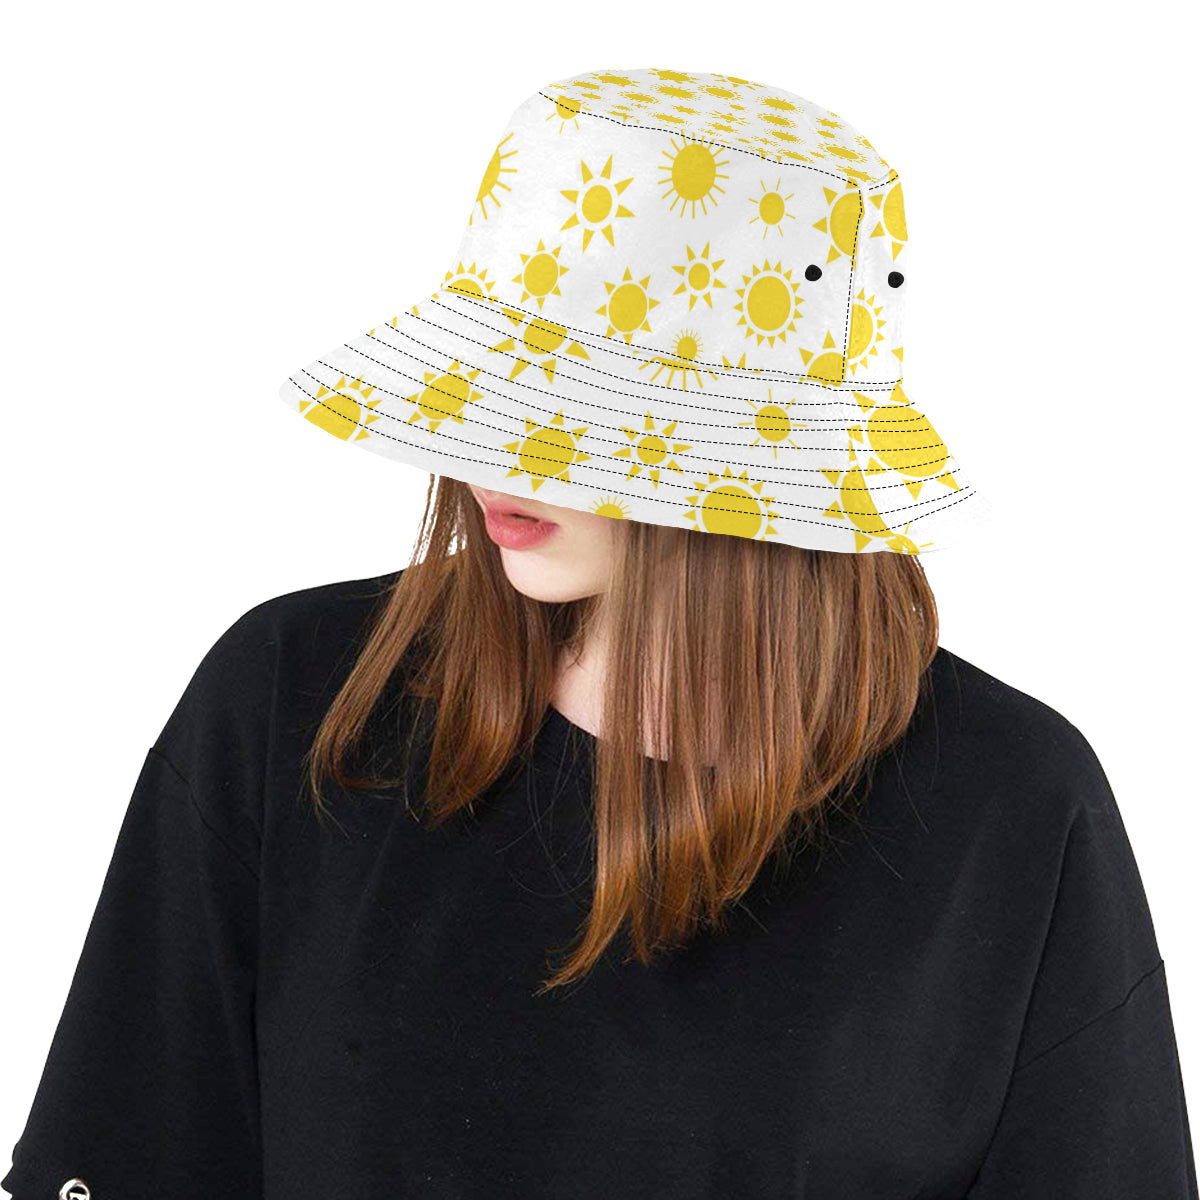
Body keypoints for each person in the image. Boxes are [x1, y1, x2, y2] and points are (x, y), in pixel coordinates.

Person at [4, 67, 1195, 1200]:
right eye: (493, 386)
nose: (491, 453)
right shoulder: (301, 701)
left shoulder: (1010, 810)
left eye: (574, 414)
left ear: (752, 455)